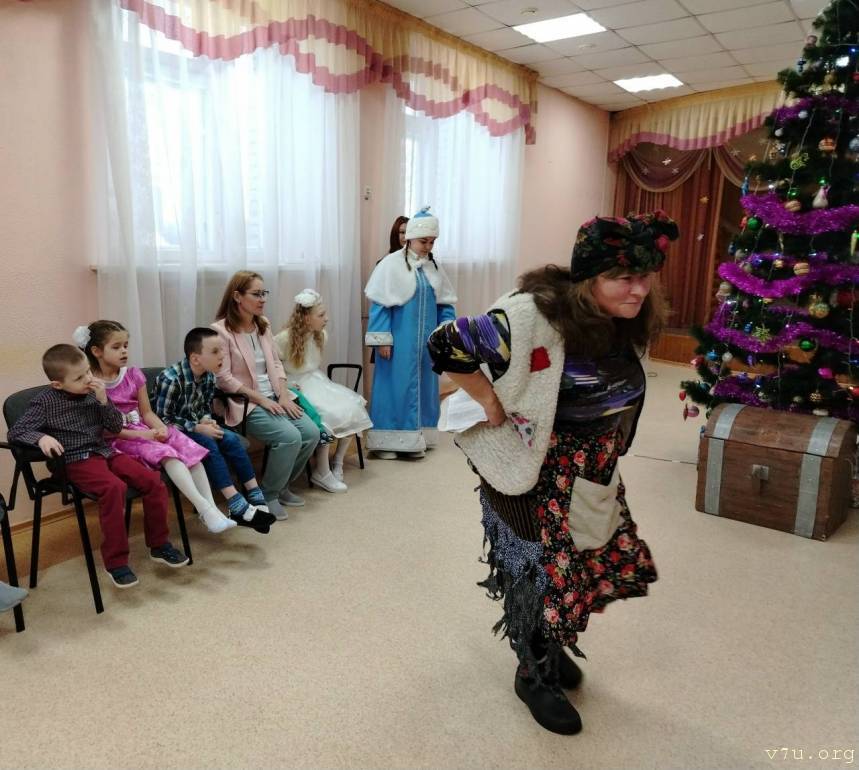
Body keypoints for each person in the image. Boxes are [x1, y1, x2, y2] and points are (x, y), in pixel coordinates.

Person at [427, 211, 679, 735]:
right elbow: (445, 344)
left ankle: (550, 643)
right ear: (589, 278)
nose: (639, 289)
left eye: (645, 276)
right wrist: (489, 402)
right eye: (623, 277)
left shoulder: (622, 317)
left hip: (592, 469)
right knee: (539, 574)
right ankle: (532, 672)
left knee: (577, 568)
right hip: (535, 472)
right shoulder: (530, 315)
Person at [8, 344, 188, 588]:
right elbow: (17, 431)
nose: (88, 379)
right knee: (113, 488)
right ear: (57, 384)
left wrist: (104, 401)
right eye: (79, 378)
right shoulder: (44, 402)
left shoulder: (94, 393)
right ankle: (116, 562)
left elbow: (115, 427)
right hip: (73, 460)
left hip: (104, 451)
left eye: (88, 372)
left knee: (153, 480)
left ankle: (159, 544)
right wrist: (41, 438)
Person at [78, 321, 236, 536]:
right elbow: (105, 430)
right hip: (119, 439)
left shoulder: (133, 374)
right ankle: (204, 509)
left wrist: (162, 428)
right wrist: (145, 434)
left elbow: (147, 413)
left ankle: (212, 509)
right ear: (96, 351)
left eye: (126, 345)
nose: (124, 351)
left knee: (187, 447)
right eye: (116, 347)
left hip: (145, 428)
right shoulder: (91, 385)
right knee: (168, 454)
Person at [212, 271, 320, 519]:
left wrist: (283, 395)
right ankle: (267, 494)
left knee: (311, 433)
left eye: (264, 293)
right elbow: (223, 378)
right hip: (246, 403)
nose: (263, 299)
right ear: (237, 296)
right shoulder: (221, 331)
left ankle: (281, 487)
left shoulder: (263, 325)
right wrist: (262, 399)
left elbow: (276, 364)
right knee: (290, 437)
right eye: (256, 294)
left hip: (275, 395)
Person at [153, 328, 277, 534]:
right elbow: (162, 420)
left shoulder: (209, 376)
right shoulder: (170, 379)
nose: (222, 356)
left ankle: (255, 495)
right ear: (195, 358)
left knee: (231, 439)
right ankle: (236, 505)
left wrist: (206, 420)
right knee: (208, 443)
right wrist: (197, 427)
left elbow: (203, 407)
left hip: (196, 425)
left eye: (222, 350)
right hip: (172, 433)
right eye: (215, 351)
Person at [364, 206, 457, 458]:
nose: (428, 246)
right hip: (398, 342)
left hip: (426, 344)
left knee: (423, 389)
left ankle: (415, 439)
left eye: (432, 242)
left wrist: (445, 331)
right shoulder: (390, 265)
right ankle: (386, 442)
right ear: (411, 238)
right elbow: (380, 304)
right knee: (394, 388)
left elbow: (445, 303)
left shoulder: (433, 267)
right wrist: (382, 339)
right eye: (423, 241)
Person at [275, 289, 373, 492]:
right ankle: (322, 470)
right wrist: (287, 387)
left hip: (315, 380)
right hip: (294, 385)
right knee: (326, 413)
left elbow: (312, 365)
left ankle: (337, 461)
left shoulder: (321, 336)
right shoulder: (284, 339)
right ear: (306, 318)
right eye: (321, 315)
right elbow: (274, 368)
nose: (326, 319)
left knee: (351, 406)